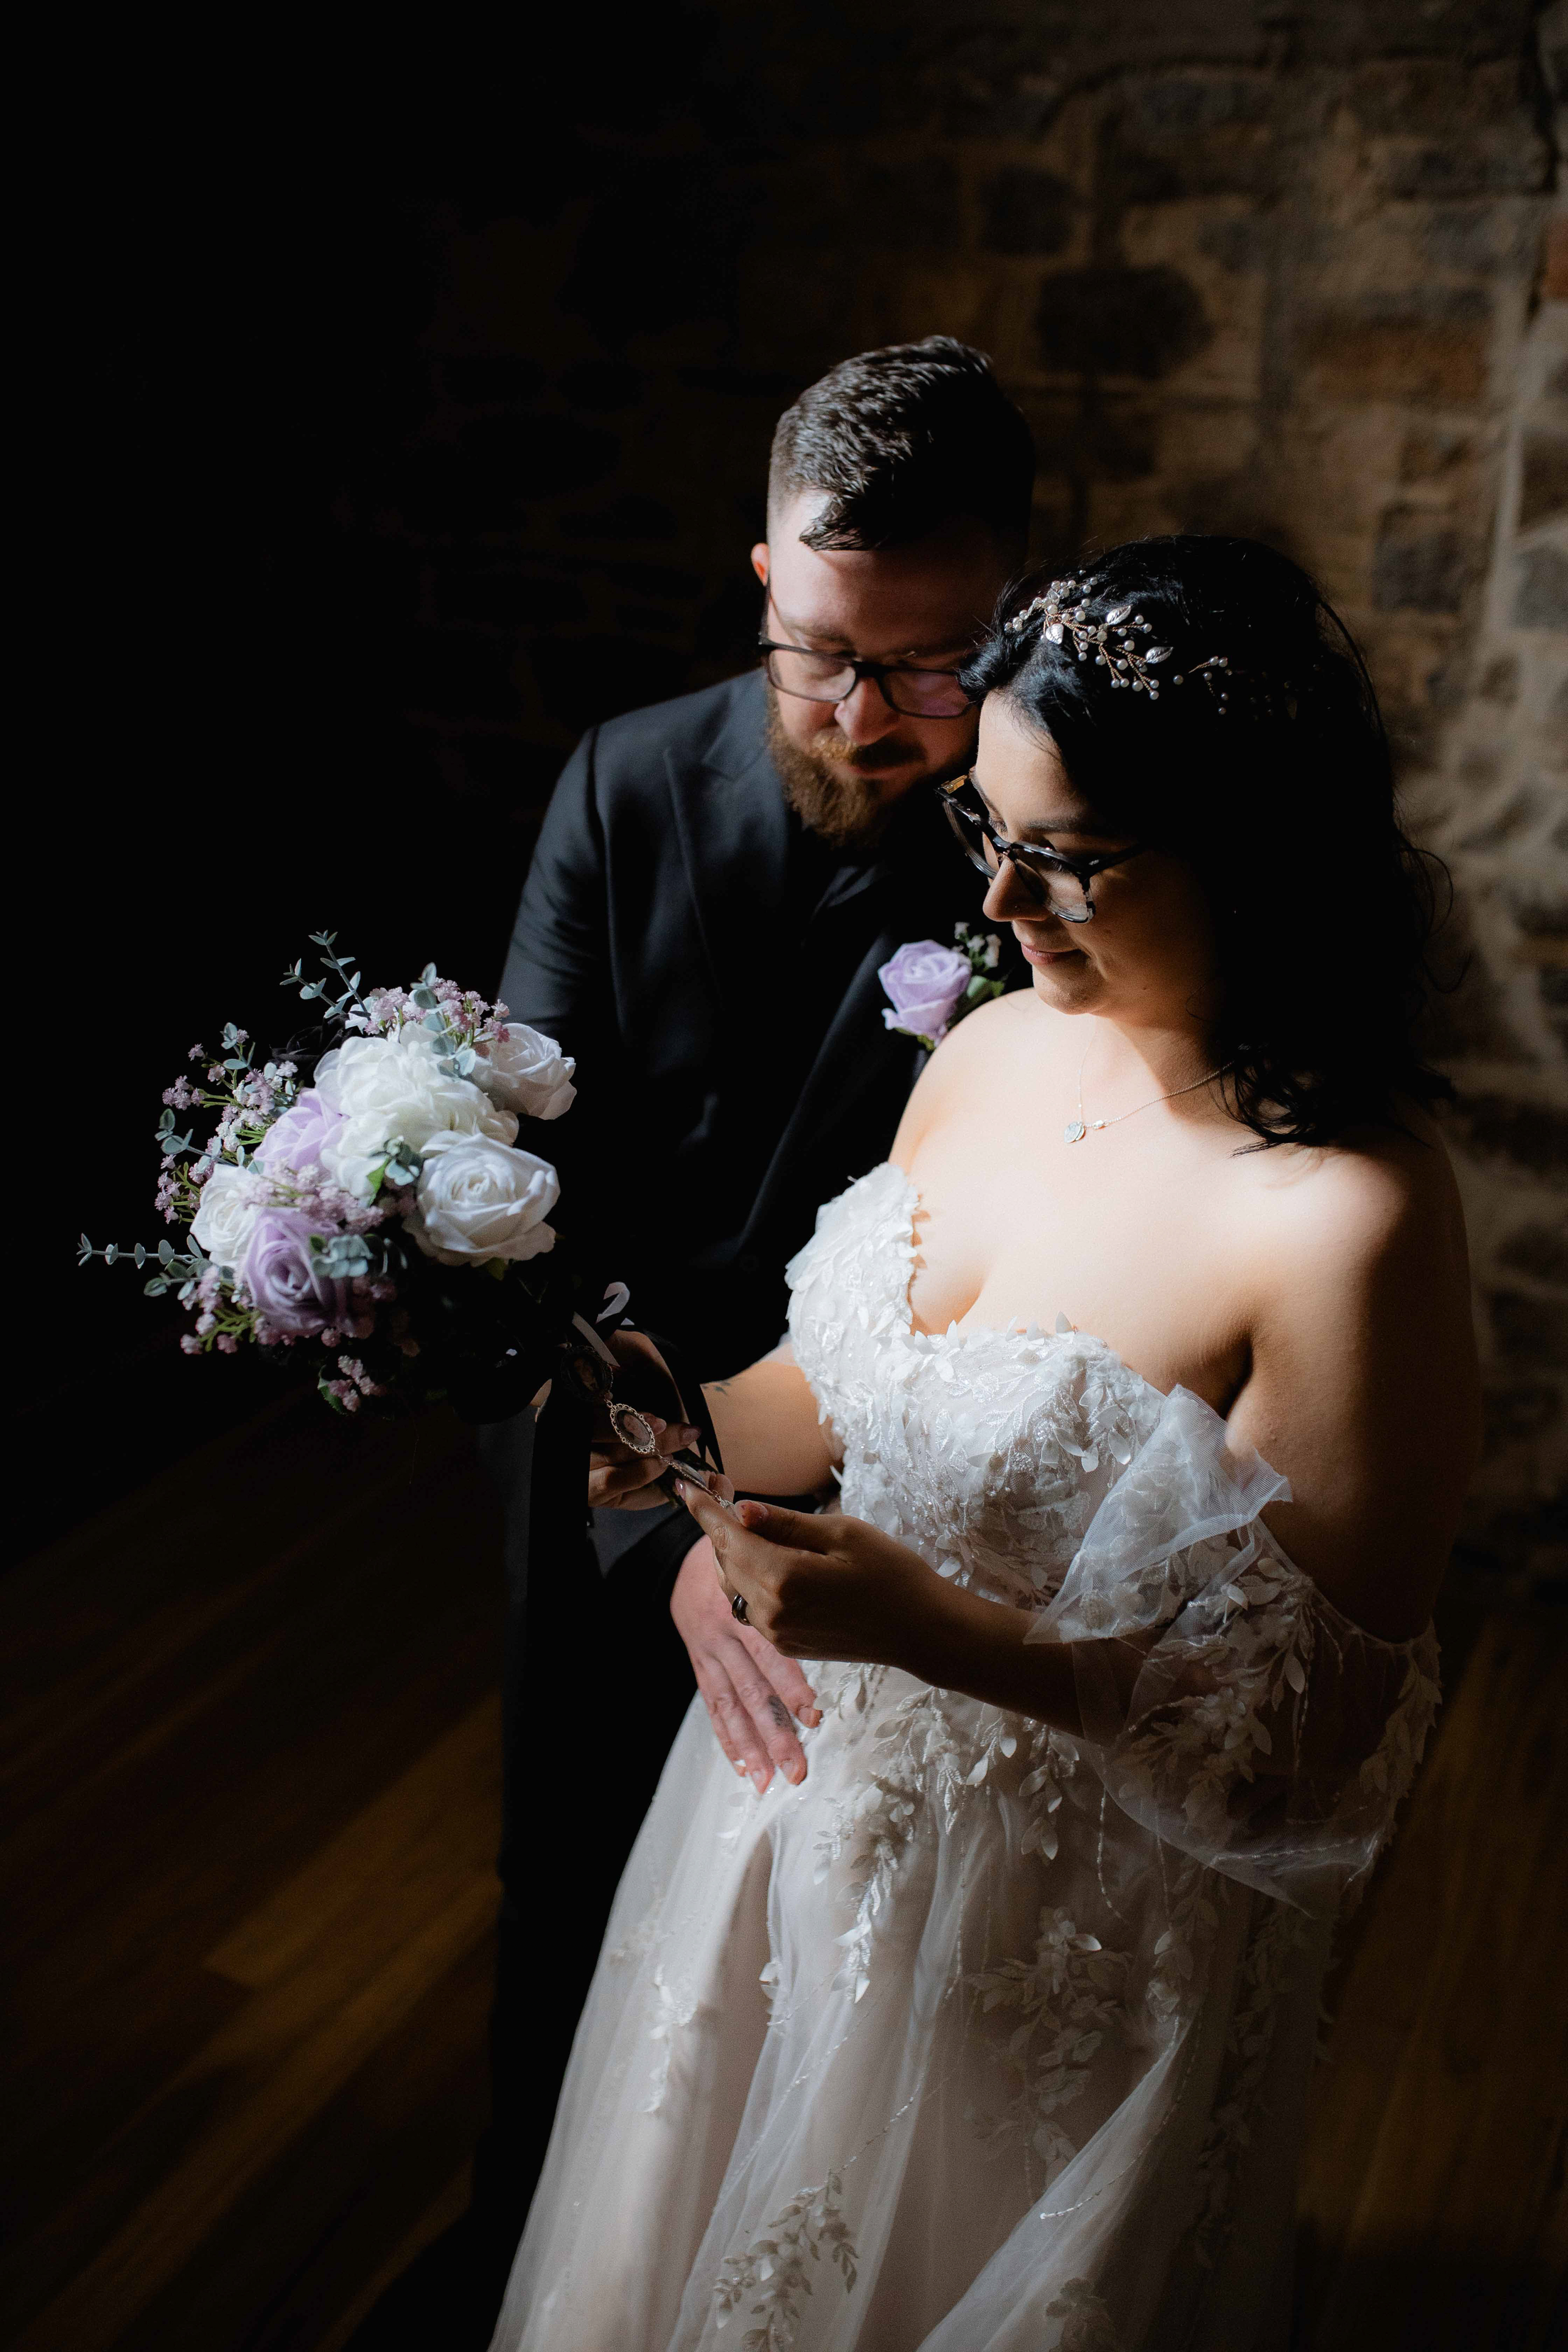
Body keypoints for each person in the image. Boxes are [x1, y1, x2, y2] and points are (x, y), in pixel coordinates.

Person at [491, 535, 1480, 2350]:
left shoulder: (1353, 1219)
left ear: (1253, 852)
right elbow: (835, 1388)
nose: (1009, 904)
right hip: (781, 1828)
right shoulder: (989, 1054)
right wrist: (645, 1420)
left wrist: (937, 1636)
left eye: (1071, 856)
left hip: (1062, 1938)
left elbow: (1312, 1752)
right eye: (988, 835)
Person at [346, 339, 1034, 2349]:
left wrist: (789, 1509)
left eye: (930, 668)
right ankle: (521, 2273)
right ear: (762, 572)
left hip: (881, 1476)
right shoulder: (626, 780)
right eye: (824, 650)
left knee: (818, 1945)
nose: (870, 715)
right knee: (562, 1886)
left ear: (1000, 617)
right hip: (603, 1449)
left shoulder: (1033, 855)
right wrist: (670, 1519)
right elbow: (525, 1205)